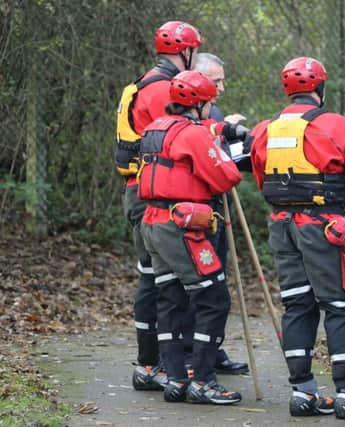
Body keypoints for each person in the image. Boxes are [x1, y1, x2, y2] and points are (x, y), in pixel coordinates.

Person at [248, 56, 345, 419]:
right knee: (341, 305)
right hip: (325, 226)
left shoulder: (265, 129)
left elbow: (261, 178)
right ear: (320, 88)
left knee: (297, 305)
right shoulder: (335, 126)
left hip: (282, 226)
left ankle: (303, 392)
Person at [138, 70, 243, 404]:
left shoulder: (155, 128)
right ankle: (204, 380)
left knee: (169, 298)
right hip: (180, 227)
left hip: (151, 223)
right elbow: (226, 177)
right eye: (209, 103)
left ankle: (176, 379)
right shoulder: (194, 134)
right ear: (199, 104)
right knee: (213, 299)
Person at [114, 20, 202, 391]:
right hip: (152, 195)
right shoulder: (163, 88)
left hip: (141, 190)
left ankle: (155, 363)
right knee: (160, 282)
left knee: (154, 278)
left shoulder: (145, 81)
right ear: (186, 51)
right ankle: (155, 364)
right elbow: (176, 137)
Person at [189, 53, 250, 376]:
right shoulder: (184, 113)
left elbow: (230, 157)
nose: (222, 89)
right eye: (216, 82)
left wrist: (241, 143)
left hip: (219, 205)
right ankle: (192, 354)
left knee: (218, 278)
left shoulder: (217, 111)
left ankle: (212, 348)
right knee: (198, 285)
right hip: (192, 210)